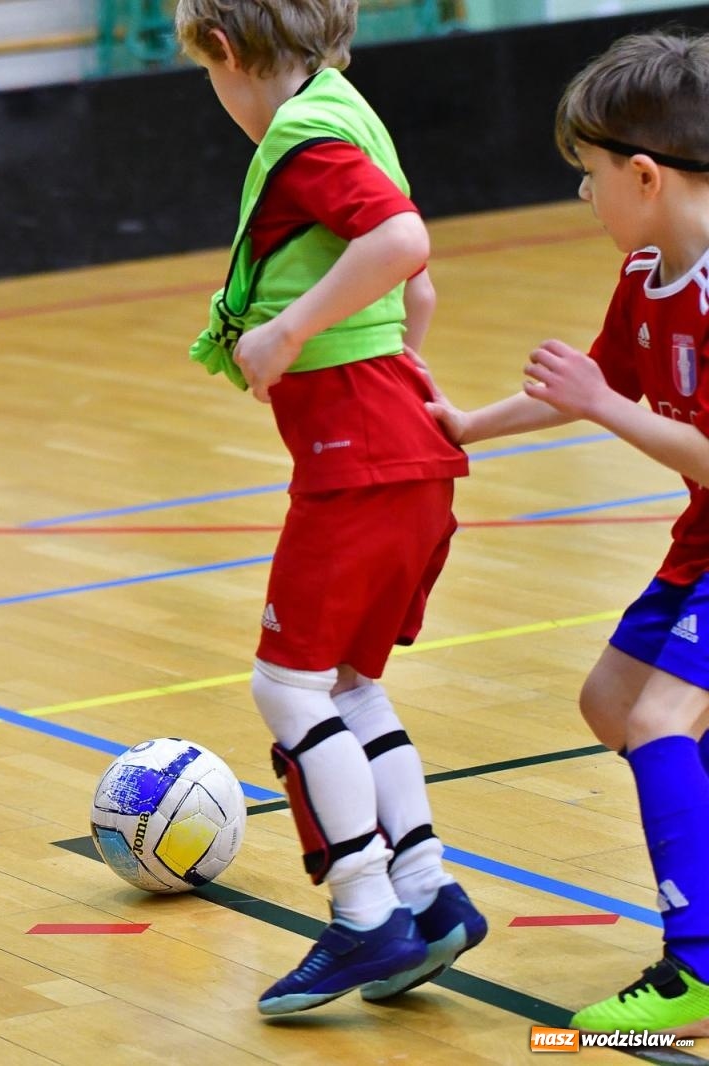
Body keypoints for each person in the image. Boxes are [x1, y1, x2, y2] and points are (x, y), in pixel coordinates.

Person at [173, 0, 486, 1015]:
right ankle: (427, 893)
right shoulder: (344, 105)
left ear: (222, 51)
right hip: (406, 451)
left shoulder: (302, 139)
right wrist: (384, 339)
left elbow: (399, 238)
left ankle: (361, 914)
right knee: (350, 682)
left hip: (358, 458)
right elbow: (419, 283)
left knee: (287, 689)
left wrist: (289, 329)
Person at [427, 31, 709, 1036]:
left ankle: (693, 977)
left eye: (587, 177)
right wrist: (468, 423)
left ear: (642, 173)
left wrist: (600, 407)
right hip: (703, 538)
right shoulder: (647, 269)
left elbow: (632, 417)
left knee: (660, 720)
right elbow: (590, 386)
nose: (582, 197)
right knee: (610, 703)